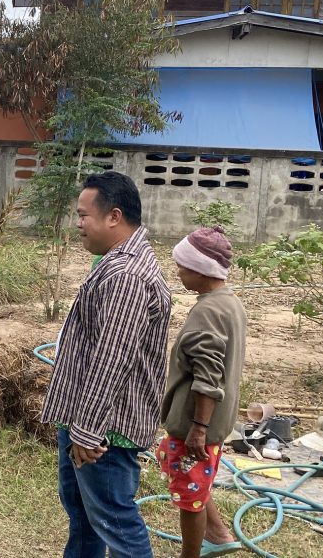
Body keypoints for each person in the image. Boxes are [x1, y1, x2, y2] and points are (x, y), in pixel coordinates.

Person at [41, 171, 172, 558]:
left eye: (83, 215)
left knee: (115, 522)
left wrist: (86, 431)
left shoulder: (126, 275)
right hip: (91, 421)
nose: (78, 224)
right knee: (84, 519)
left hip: (104, 430)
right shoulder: (115, 263)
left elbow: (111, 359)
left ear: (114, 216)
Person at [158, 227, 246, 558]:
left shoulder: (207, 311)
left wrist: (198, 428)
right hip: (215, 423)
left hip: (196, 424)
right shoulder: (230, 303)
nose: (178, 272)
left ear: (201, 269)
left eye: (182, 266)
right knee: (190, 476)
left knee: (190, 497)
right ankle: (218, 533)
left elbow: (208, 376)